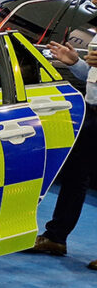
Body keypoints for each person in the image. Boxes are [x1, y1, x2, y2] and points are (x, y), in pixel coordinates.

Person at [29, 24, 97, 271]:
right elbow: (91, 75)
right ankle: (55, 238)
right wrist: (74, 62)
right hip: (92, 111)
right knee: (75, 176)